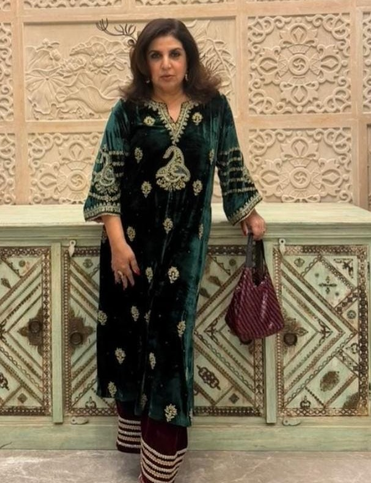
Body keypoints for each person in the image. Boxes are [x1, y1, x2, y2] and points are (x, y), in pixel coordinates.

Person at [83, 18, 266, 483]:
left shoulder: (213, 107)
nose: (166, 64)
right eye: (156, 55)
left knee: (169, 340)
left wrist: (247, 211)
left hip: (185, 245)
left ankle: (160, 462)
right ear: (144, 63)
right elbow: (106, 179)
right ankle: (141, 440)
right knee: (130, 336)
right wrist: (118, 244)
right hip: (129, 248)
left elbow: (231, 164)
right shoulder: (128, 111)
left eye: (174, 54)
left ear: (188, 59)